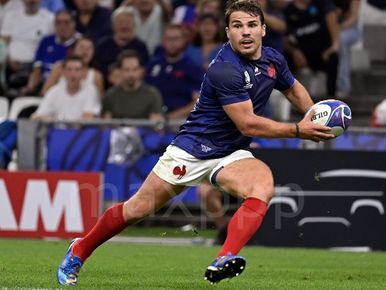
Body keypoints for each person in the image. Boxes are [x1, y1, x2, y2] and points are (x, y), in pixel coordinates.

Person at [57, 0, 334, 286]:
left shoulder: (274, 58)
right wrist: (300, 130)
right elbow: (248, 124)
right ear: (227, 33)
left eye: (252, 25)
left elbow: (291, 87)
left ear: (263, 29)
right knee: (135, 210)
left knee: (263, 186)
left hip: (230, 152)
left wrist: (316, 115)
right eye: (237, 26)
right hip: (191, 150)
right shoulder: (225, 69)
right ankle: (80, 249)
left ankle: (223, 258)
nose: (246, 32)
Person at [145, 24, 204, 120]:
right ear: (163, 41)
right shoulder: (153, 65)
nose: (172, 43)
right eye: (169, 39)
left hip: (181, 121)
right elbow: (144, 92)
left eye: (176, 39)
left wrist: (169, 117)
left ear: (184, 41)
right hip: (153, 118)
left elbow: (198, 102)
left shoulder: (192, 67)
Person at [284, 0, 340, 98]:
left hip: (321, 53)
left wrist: (334, 45)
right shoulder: (288, 10)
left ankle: (331, 96)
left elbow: (332, 18)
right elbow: (283, 38)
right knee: (283, 60)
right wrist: (294, 51)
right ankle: (290, 96)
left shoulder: (322, 5)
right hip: (300, 53)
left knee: (333, 57)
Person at [21, 9, 81, 96]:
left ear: (73, 24)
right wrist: (31, 86)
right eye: (58, 23)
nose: (62, 26)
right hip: (43, 83)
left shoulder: (80, 42)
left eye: (66, 22)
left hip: (66, 85)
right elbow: (37, 68)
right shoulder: (46, 41)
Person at [102, 50, 164, 121]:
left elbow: (155, 124)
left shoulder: (152, 94)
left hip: (145, 131)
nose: (131, 74)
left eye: (135, 69)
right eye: (126, 70)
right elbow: (106, 124)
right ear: (120, 71)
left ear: (140, 71)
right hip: (117, 131)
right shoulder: (110, 95)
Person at [32, 55, 100, 120]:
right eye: (69, 69)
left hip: (81, 131)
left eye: (77, 69)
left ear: (83, 72)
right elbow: (36, 116)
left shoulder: (90, 90)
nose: (73, 74)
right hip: (58, 130)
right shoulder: (54, 91)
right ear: (63, 72)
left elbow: (88, 117)